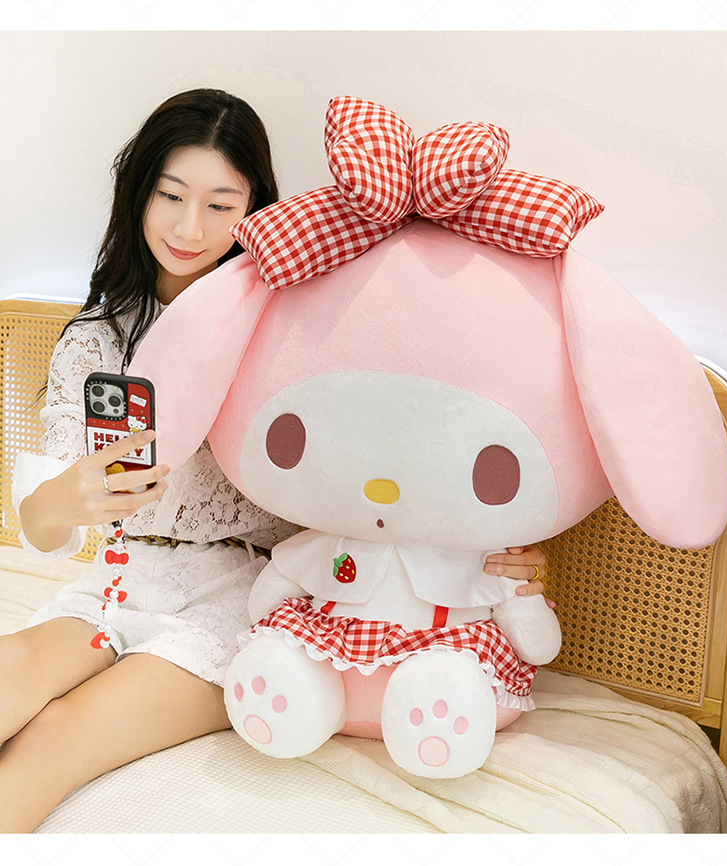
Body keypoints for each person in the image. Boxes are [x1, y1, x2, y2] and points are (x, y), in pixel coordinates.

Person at [0, 88, 549, 833]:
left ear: (255, 208)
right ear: (139, 192)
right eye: (171, 196)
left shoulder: (288, 332)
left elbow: (399, 453)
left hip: (246, 598)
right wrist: (62, 500)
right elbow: (44, 528)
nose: (190, 228)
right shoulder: (98, 335)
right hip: (119, 581)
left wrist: (492, 558)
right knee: (12, 673)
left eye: (221, 205)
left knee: (57, 735)